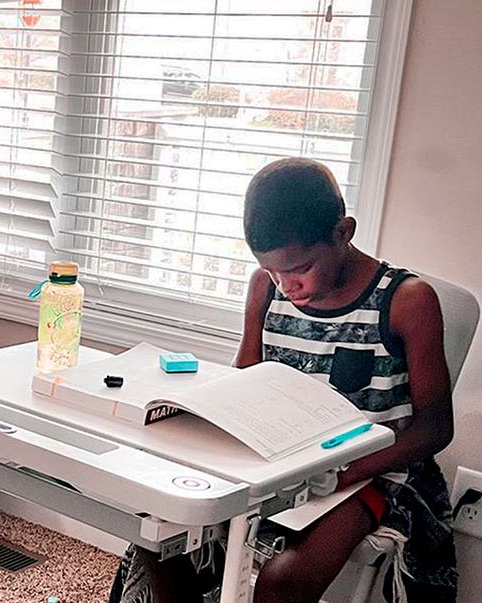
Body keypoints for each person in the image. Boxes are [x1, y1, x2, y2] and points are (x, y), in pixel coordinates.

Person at [110, 157, 456, 603]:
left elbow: (434, 428)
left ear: (343, 232)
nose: (285, 284)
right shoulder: (266, 286)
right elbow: (246, 383)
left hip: (376, 474)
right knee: (159, 531)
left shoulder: (407, 301)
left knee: (282, 581)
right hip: (279, 459)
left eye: (299, 269)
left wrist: (347, 470)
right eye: (272, 270)